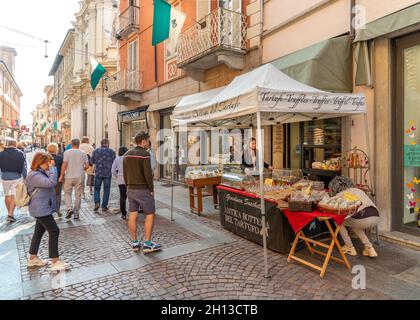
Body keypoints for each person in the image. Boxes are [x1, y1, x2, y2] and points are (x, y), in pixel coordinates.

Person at [26, 152, 70, 272]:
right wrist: (53, 168)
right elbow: (51, 183)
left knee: (38, 232)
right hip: (41, 209)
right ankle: (55, 261)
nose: (49, 165)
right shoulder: (35, 175)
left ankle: (32, 258)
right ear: (41, 162)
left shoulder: (39, 173)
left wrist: (49, 169)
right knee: (54, 231)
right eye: (47, 162)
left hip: (41, 208)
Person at [123, 132, 161, 253]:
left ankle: (134, 242)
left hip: (130, 188)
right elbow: (147, 173)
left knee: (132, 214)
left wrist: (127, 185)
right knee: (150, 214)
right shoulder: (144, 154)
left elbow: (125, 173)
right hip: (143, 189)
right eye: (147, 141)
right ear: (143, 141)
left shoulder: (127, 154)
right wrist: (151, 189)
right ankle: (148, 243)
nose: (147, 143)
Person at [328, 176, 380, 258]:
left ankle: (349, 246)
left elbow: (329, 203)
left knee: (337, 221)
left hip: (362, 219)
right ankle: (369, 248)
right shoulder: (357, 190)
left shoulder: (340, 194)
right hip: (376, 216)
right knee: (354, 224)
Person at [59, 139, 89, 220]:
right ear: (79, 144)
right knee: (78, 195)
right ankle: (76, 213)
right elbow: (87, 166)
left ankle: (69, 208)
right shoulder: (83, 153)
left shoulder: (67, 152)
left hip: (69, 176)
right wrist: (81, 168)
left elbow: (64, 164)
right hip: (80, 176)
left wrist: (61, 175)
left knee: (67, 193)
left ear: (71, 144)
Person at [0, 138, 27, 223]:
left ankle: (9, 213)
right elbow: (24, 167)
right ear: (15, 145)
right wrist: (25, 177)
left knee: (7, 195)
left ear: (8, 144)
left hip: (4, 177)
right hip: (16, 177)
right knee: (14, 195)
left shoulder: (1, 154)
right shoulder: (20, 153)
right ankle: (11, 214)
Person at [91, 139, 116, 212]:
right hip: (108, 173)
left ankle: (97, 203)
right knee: (106, 189)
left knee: (96, 188)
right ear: (108, 144)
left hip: (98, 172)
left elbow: (91, 162)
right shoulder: (112, 151)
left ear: (101, 143)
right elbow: (114, 163)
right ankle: (104, 206)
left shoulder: (95, 151)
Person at [47, 143, 64, 218]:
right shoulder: (60, 158)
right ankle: (58, 209)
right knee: (58, 194)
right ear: (56, 149)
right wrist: (61, 176)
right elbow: (63, 169)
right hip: (57, 179)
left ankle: (48, 210)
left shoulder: (45, 158)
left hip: (47, 179)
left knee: (47, 194)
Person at [112, 146, 128, 220]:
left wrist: (117, 176)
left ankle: (123, 213)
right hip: (129, 180)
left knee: (122, 196)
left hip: (121, 180)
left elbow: (113, 170)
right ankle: (134, 212)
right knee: (131, 196)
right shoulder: (128, 159)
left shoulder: (117, 159)